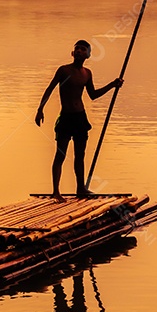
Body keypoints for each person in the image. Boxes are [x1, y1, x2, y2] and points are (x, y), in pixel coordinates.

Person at [35, 40, 123, 199]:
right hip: (66, 118)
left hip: (80, 118)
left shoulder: (87, 73)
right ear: (72, 53)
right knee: (60, 154)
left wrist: (112, 85)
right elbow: (50, 89)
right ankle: (56, 191)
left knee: (80, 155)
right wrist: (40, 109)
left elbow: (93, 95)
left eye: (83, 49)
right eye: (77, 49)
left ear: (88, 55)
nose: (79, 51)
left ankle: (80, 188)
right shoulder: (64, 70)